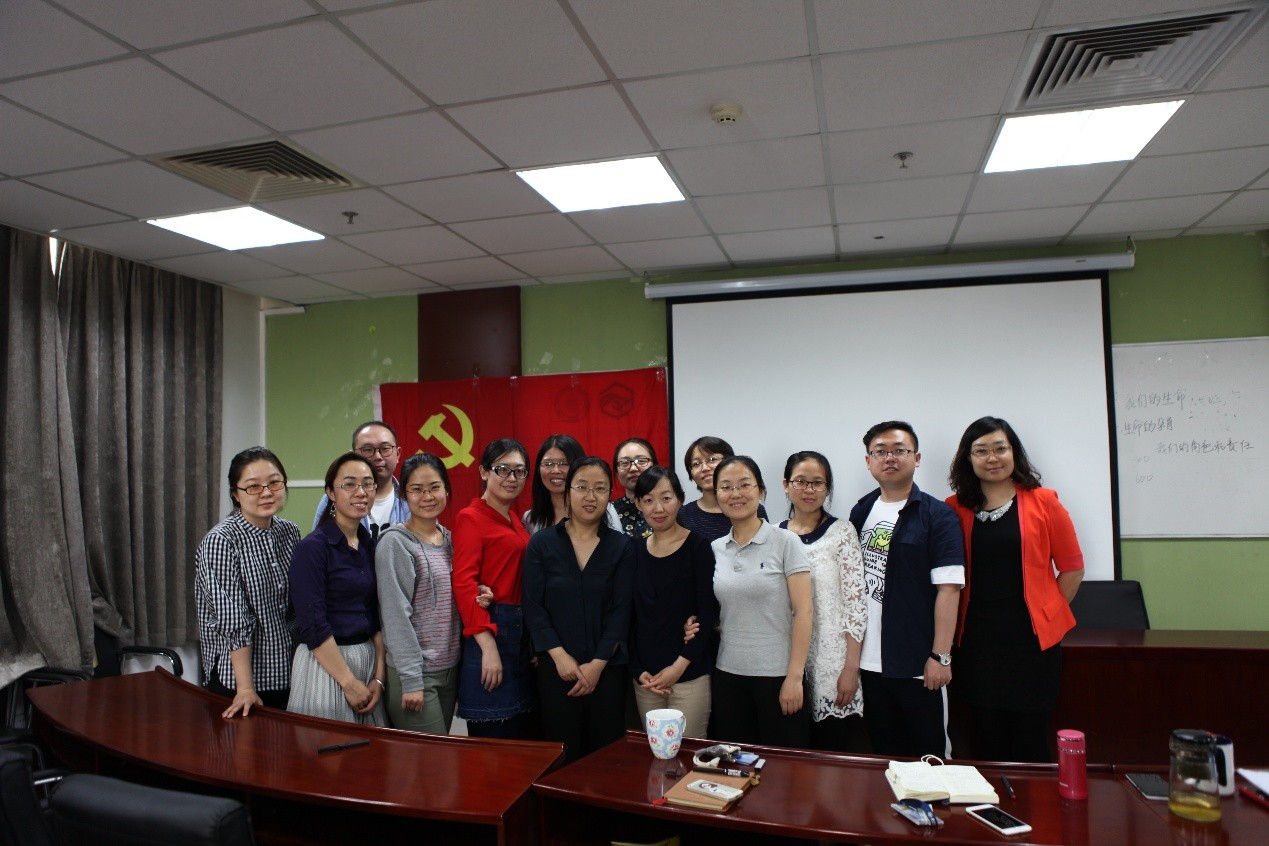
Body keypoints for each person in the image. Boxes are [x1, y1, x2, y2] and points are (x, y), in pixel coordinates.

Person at [946, 416, 1084, 762]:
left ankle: (1034, 800)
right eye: (981, 451)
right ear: (968, 458)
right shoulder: (953, 508)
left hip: (1031, 644)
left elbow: (1072, 569)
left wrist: (1049, 613)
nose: (992, 458)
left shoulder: (1044, 502)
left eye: (1000, 448)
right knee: (985, 741)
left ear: (1014, 453)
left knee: (1030, 742)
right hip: (975, 644)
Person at [849, 421, 964, 758]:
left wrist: (940, 657)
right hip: (870, 664)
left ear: (916, 458)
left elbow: (949, 590)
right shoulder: (861, 510)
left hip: (918, 664)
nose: (890, 458)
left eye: (899, 450)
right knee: (885, 756)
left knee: (931, 758)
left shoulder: (938, 515)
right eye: (880, 452)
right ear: (868, 461)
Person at [523, 457, 635, 763]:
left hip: (608, 670)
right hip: (556, 669)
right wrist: (559, 657)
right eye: (582, 487)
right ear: (568, 491)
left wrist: (597, 665)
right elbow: (533, 606)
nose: (590, 496)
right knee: (561, 755)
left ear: (609, 494)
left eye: (600, 488)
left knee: (606, 757)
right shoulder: (542, 544)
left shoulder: (621, 546)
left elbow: (622, 610)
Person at [710, 456, 813, 748]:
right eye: (726, 487)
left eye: (745, 485)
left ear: (762, 491)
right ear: (717, 495)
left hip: (778, 676)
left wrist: (795, 677)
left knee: (784, 768)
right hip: (728, 675)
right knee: (735, 764)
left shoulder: (786, 541)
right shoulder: (715, 549)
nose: (735, 493)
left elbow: (804, 612)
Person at [195, 447, 301, 717]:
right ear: (235, 493)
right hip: (241, 682)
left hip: (290, 672)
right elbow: (232, 618)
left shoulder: (290, 532)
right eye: (253, 486)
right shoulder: (221, 541)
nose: (266, 493)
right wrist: (245, 688)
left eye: (274, 483)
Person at [288, 452, 387, 725]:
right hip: (326, 666)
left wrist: (379, 678)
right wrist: (348, 682)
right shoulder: (313, 548)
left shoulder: (369, 544)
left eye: (368, 484)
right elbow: (313, 624)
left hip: (367, 661)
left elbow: (376, 616)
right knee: (327, 748)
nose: (361, 492)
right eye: (349, 484)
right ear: (331, 493)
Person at [780, 451, 868, 751]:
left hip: (833, 662)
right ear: (786, 485)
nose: (809, 489)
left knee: (833, 751)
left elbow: (856, 606)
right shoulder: (775, 535)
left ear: (828, 488)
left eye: (818, 482)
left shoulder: (842, 532)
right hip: (787, 662)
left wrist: (851, 669)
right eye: (800, 481)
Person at [451, 438, 535, 738]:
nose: (511, 478)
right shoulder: (470, 518)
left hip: (518, 633)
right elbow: (464, 583)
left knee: (521, 735)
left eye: (519, 471)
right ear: (484, 472)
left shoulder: (513, 518)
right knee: (494, 738)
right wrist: (488, 648)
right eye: (502, 469)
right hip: (490, 630)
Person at [375, 453, 461, 733]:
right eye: (417, 489)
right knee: (434, 758)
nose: (427, 497)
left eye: (435, 487)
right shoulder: (395, 543)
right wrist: (411, 680)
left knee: (440, 755)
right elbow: (395, 616)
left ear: (446, 490)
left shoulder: (451, 540)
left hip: (449, 671)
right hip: (415, 676)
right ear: (404, 494)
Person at [628, 466, 717, 738]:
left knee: (688, 756)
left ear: (680, 499)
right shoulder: (633, 550)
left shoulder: (699, 547)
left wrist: (678, 667)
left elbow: (708, 612)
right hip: (646, 681)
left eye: (666, 498)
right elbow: (630, 616)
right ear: (638, 504)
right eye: (648, 500)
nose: (658, 508)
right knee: (655, 755)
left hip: (689, 675)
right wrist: (638, 669)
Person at [312, 420, 411, 537]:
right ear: (353, 455)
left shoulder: (411, 499)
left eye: (385, 448)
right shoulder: (335, 498)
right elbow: (319, 541)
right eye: (368, 450)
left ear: (398, 454)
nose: (378, 456)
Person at [677, 435, 768, 541]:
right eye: (696, 464)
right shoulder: (683, 514)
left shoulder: (752, 508)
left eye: (712, 459)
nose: (705, 468)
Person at [523, 434, 586, 534]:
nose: (556, 470)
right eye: (548, 464)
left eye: (564, 463)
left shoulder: (603, 511)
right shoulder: (530, 519)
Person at [607, 438, 657, 538]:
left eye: (641, 461)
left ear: (655, 467)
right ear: (617, 473)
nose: (633, 468)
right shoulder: (608, 512)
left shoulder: (669, 507)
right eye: (625, 463)